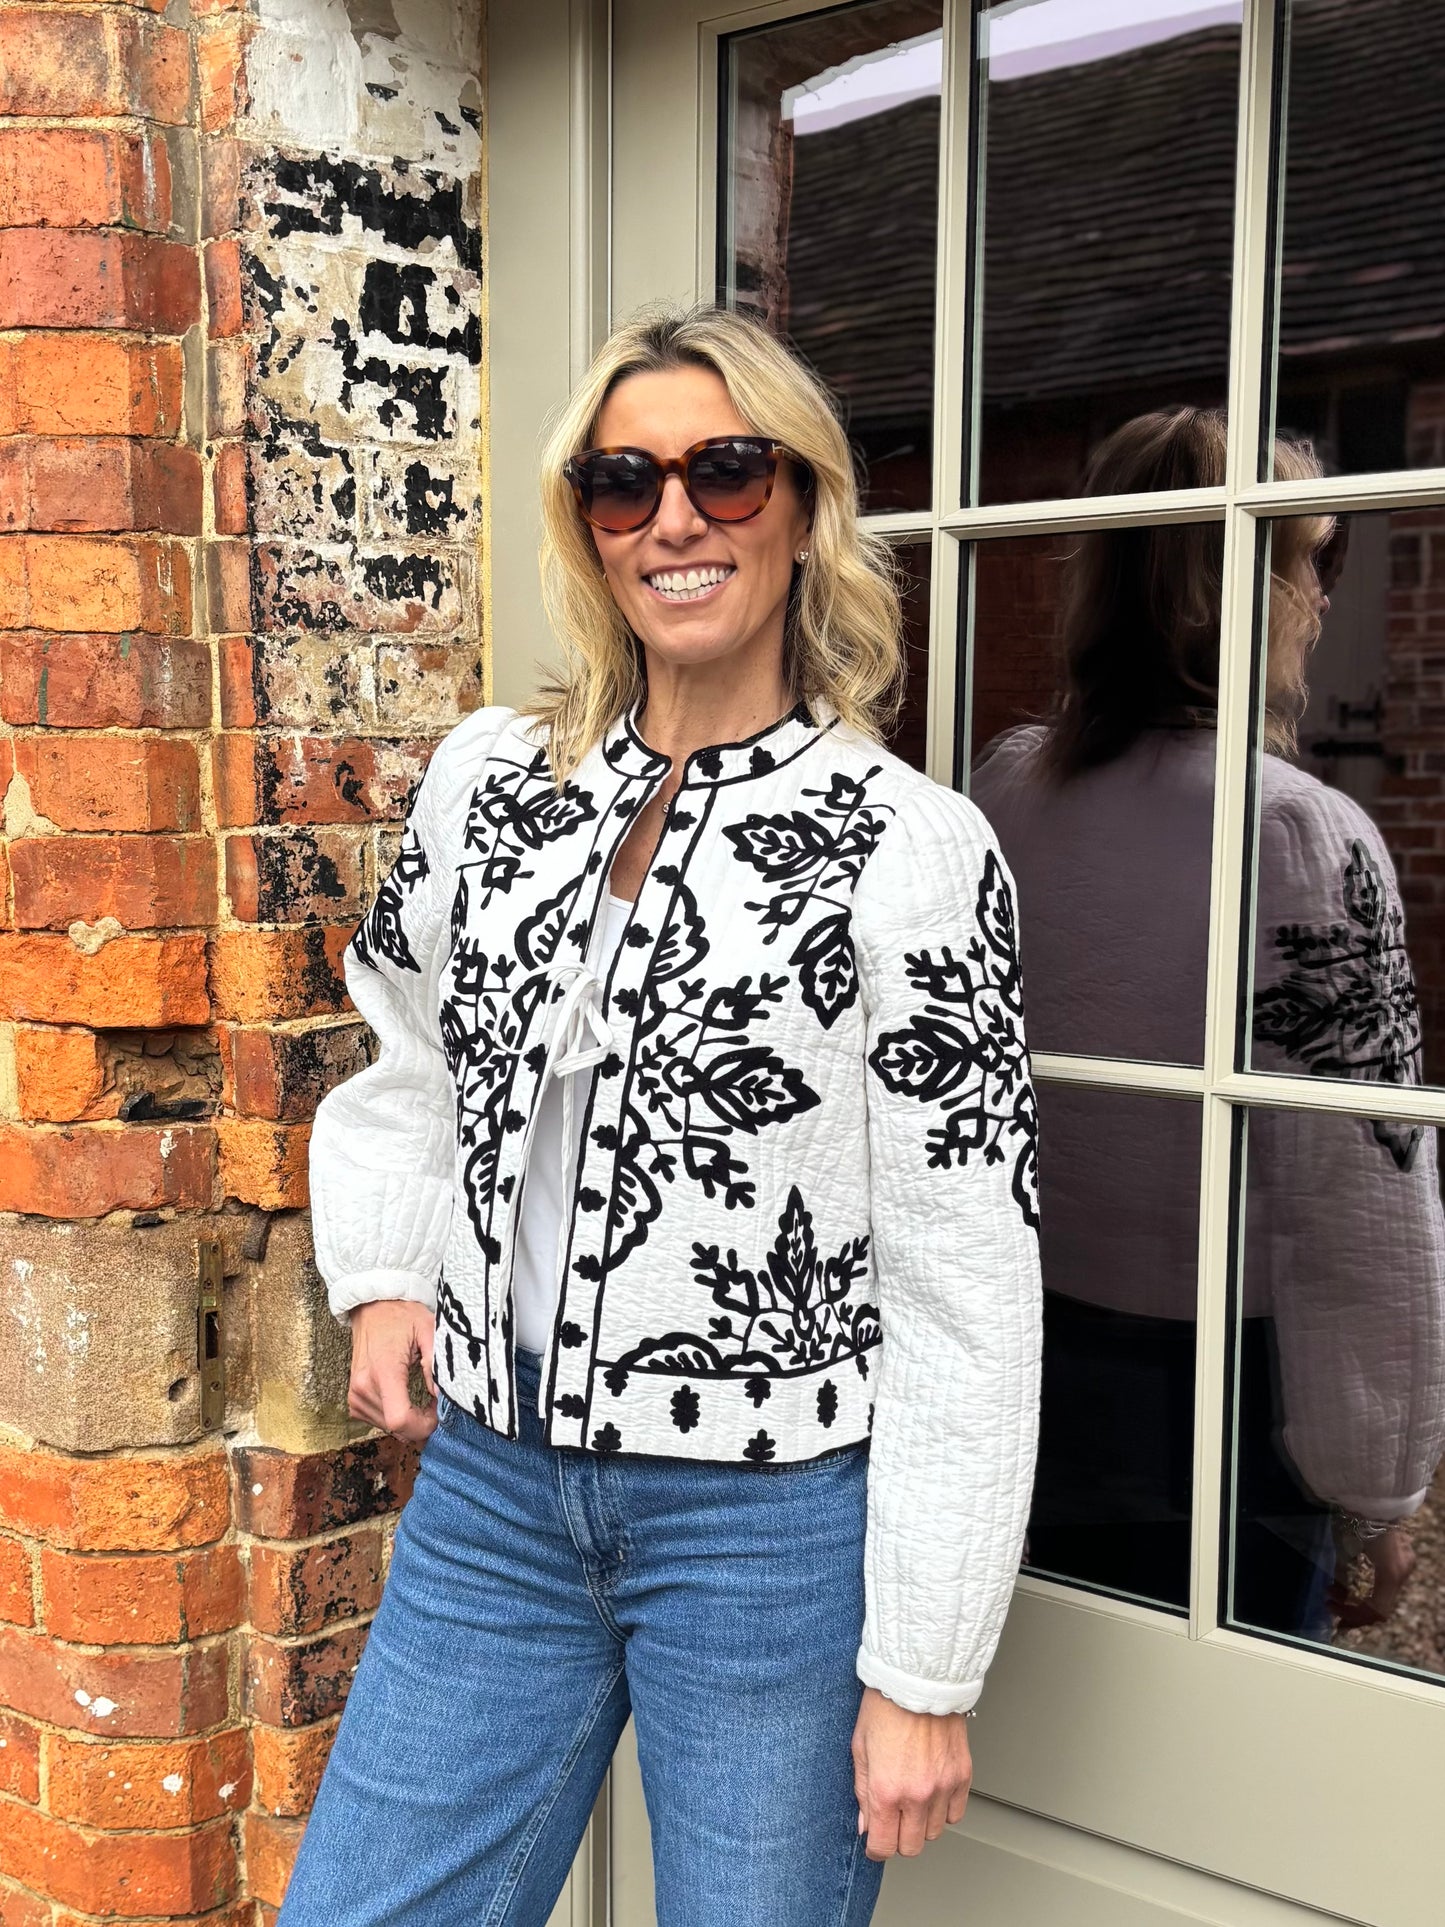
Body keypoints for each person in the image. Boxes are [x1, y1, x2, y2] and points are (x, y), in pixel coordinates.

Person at [281, 303, 1043, 1927]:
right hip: (491, 1491)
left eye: (726, 472)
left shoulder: (907, 848)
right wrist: (388, 1269)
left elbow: (966, 1277)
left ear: (805, 508)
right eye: (625, 481)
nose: (675, 518)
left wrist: (923, 1667)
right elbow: (405, 1043)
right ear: (588, 523)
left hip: (766, 1529)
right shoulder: (491, 782)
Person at [972, 407, 1445, 1636]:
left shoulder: (1004, 785)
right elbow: (1361, 1192)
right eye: (1310, 563)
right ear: (1235, 588)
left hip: (1012, 1360)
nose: (1322, 600)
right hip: (1215, 1410)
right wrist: (1377, 1490)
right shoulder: (1300, 829)